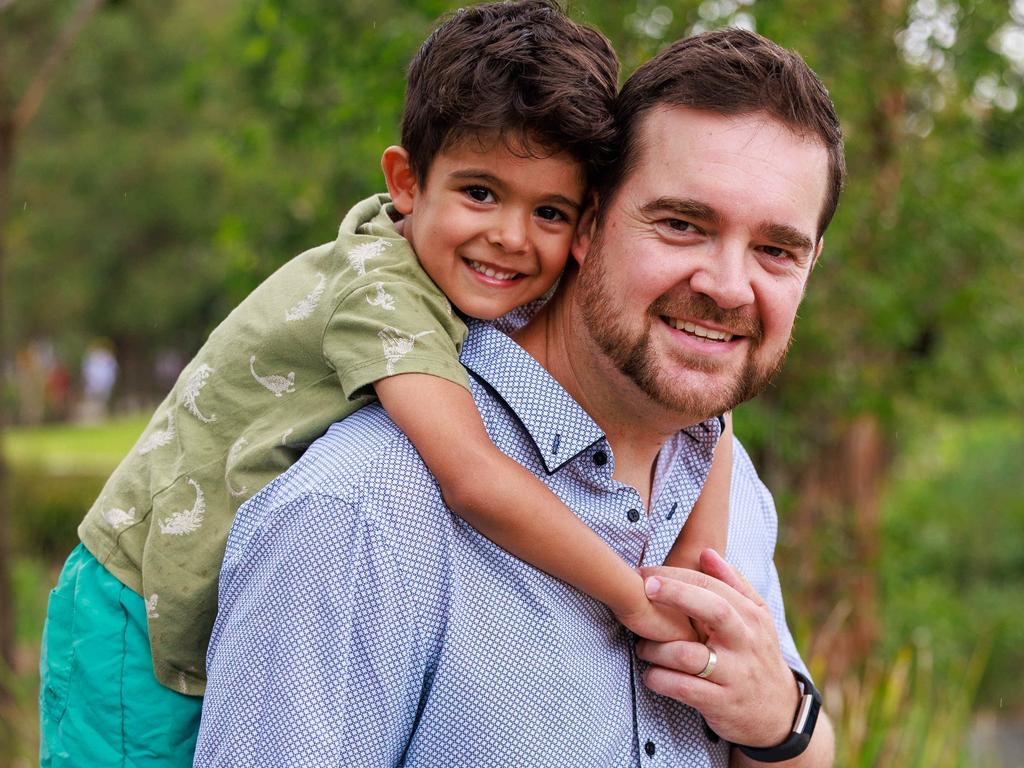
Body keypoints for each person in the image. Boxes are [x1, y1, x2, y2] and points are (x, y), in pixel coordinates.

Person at [38, 3, 732, 766]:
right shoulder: (379, 291)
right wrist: (634, 596)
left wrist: (695, 581)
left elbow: (706, 419)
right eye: (479, 193)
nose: (510, 234)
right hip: (135, 599)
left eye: (550, 211)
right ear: (406, 183)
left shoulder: (490, 282)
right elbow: (470, 476)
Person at [194, 25, 845, 768]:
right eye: (681, 225)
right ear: (587, 224)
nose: (728, 285)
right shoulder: (362, 511)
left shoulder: (733, 491)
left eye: (775, 250)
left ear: (811, 262)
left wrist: (782, 720)